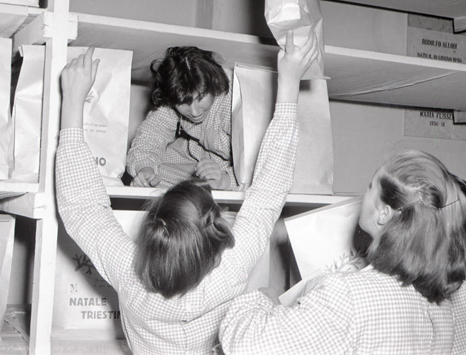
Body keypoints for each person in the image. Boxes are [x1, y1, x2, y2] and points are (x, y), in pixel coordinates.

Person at [55, 33, 318, 355]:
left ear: (151, 229)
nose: (193, 110)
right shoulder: (230, 272)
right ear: (218, 236)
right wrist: (289, 83)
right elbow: (268, 193)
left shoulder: (129, 273)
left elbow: (82, 208)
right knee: (266, 295)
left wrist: (72, 101)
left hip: (223, 173)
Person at [219, 149, 466, 354]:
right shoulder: (437, 300)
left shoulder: (348, 294)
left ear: (383, 213)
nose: (363, 195)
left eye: (369, 187)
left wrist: (260, 300)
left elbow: (246, 346)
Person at [126, 46, 236, 190]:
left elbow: (255, 163)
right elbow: (152, 134)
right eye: (183, 103)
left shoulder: (234, 99)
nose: (195, 112)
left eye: (200, 98)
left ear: (214, 84)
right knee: (153, 179)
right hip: (192, 157)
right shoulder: (174, 92)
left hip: (232, 168)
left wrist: (225, 180)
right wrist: (145, 170)